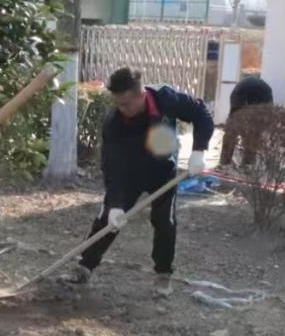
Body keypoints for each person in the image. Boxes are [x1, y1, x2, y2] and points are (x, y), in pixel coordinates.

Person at [65, 67, 214, 296]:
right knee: (107, 219)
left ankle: (163, 274)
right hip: (129, 175)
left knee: (164, 221)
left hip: (162, 170)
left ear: (141, 95)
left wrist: (199, 151)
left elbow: (201, 113)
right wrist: (116, 204)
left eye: (126, 104)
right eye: (118, 103)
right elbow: (112, 166)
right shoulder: (114, 123)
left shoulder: (166, 99)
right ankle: (85, 266)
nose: (121, 109)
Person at [217, 75, 274, 169]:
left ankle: (225, 162)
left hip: (240, 93)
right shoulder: (265, 88)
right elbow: (268, 113)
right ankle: (247, 164)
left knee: (232, 130)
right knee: (254, 134)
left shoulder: (242, 85)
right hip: (259, 96)